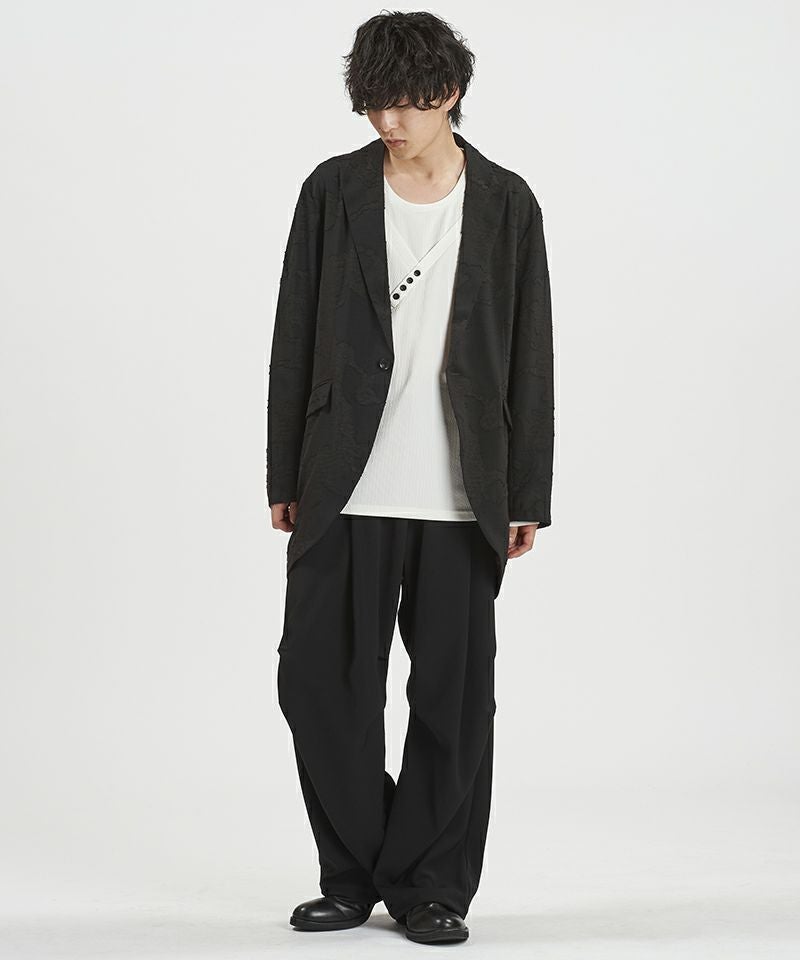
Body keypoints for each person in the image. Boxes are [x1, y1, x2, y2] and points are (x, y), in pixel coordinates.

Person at [266, 11, 554, 945]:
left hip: (463, 493)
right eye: (375, 103)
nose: (389, 121)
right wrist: (283, 469)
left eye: (408, 102)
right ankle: (356, 874)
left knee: (453, 706)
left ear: (450, 93)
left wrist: (528, 491)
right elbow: (294, 331)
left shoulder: (506, 202)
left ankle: (432, 887)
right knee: (317, 686)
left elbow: (531, 353)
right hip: (343, 484)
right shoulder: (333, 191)